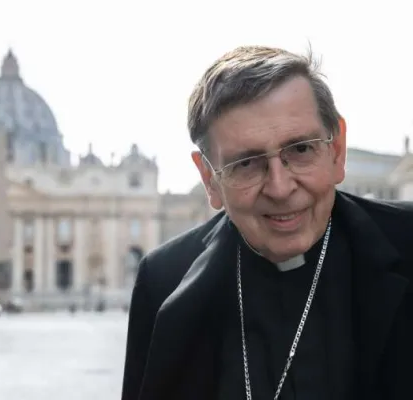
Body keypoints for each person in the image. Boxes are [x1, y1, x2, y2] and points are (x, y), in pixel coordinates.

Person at [121, 45, 413, 400]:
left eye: (301, 149)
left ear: (337, 151)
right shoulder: (164, 281)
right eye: (246, 163)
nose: (279, 187)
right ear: (210, 180)